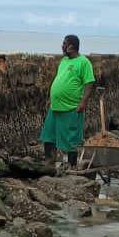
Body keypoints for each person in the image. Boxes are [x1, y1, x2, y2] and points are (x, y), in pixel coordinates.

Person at [40, 35, 95, 168]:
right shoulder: (64, 61)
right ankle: (49, 161)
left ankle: (71, 165)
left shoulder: (84, 62)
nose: (62, 46)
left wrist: (83, 102)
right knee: (48, 135)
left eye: (64, 44)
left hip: (71, 107)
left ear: (71, 46)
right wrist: (53, 98)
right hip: (55, 107)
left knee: (71, 138)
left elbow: (89, 83)